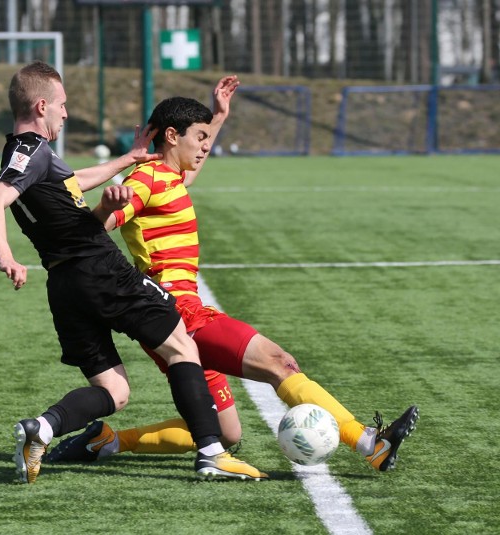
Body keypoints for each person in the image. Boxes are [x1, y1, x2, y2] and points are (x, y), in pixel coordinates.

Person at [47, 76, 419, 472]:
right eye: (200, 137)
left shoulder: (168, 175)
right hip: (179, 314)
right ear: (172, 136)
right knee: (280, 363)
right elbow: (96, 228)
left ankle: (106, 442)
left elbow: (189, 169)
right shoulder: (146, 179)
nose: (206, 146)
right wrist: (106, 206)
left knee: (226, 433)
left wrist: (219, 117)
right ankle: (369, 443)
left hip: (178, 314)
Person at [0, 60, 267, 484]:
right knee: (182, 345)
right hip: (99, 268)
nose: (66, 113)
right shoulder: (32, 151)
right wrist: (5, 256)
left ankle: (45, 427)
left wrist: (126, 159)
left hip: (64, 285)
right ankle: (210, 452)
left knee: (115, 392)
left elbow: (73, 182)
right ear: (41, 106)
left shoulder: (26, 155)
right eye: (62, 105)